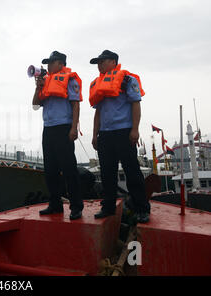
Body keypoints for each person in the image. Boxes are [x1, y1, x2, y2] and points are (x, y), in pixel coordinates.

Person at [89, 50, 150, 223]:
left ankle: (142, 209)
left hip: (124, 131)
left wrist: (135, 130)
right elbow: (98, 113)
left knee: (132, 171)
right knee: (107, 173)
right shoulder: (98, 84)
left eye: (102, 61)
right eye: (98, 63)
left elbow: (135, 104)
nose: (99, 65)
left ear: (113, 62)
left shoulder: (127, 80)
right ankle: (108, 207)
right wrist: (95, 135)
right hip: (105, 135)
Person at [32, 51, 84, 220]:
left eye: (51, 62)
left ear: (61, 64)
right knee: (50, 169)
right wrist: (38, 86)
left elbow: (75, 105)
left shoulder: (70, 79)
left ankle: (76, 206)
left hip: (64, 128)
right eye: (48, 63)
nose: (48, 65)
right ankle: (55, 204)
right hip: (48, 129)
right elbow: (35, 104)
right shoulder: (46, 82)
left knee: (69, 168)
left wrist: (73, 128)